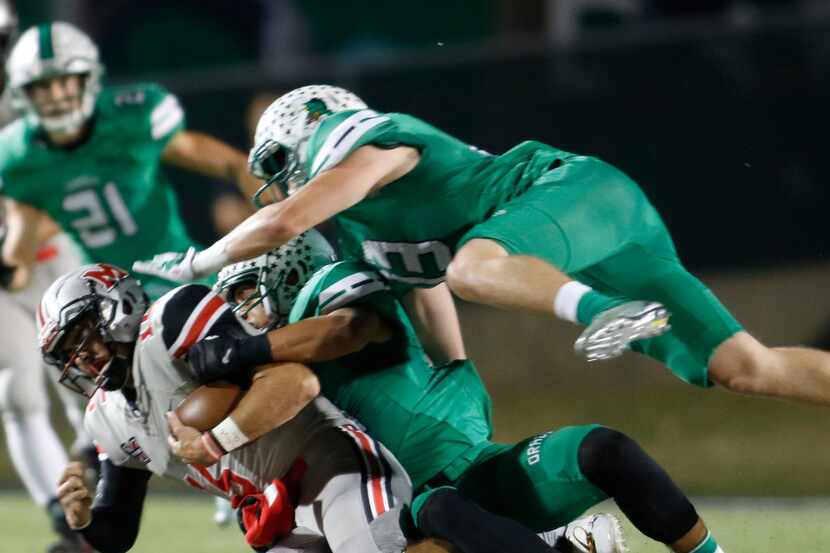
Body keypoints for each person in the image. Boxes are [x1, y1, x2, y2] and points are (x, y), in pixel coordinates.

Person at [136, 83, 830, 407]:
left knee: (476, 264)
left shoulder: (361, 143)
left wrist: (197, 260)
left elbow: (283, 222)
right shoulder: (365, 229)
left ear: (308, 132)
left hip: (576, 192)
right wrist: (457, 378)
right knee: (746, 367)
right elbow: (425, 288)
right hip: (586, 241)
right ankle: (602, 308)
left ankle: (599, 314)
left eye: (282, 166)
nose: (283, 185)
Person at [176, 231, 727, 553]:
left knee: (603, 450)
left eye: (247, 295)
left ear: (286, 270)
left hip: (475, 468)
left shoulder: (325, 301)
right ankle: (564, 543)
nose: (242, 318)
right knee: (440, 510)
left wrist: (249, 351)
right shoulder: (266, 375)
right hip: (396, 515)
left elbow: (348, 329)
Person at [40, 263, 414, 553]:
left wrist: (213, 445)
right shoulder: (104, 417)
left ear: (115, 305)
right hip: (276, 514)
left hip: (332, 468)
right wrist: (85, 518)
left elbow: (294, 384)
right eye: (66, 354)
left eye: (80, 335)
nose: (79, 357)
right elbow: (117, 530)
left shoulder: (171, 321)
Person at [0, 21, 262, 301]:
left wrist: (275, 220)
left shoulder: (130, 119)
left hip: (181, 276)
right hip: (109, 297)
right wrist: (8, 269)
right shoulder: (18, 157)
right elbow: (20, 252)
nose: (56, 96)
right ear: (23, 93)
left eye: (64, 81)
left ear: (88, 79)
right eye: (41, 87)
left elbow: (232, 164)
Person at [0, 7, 99, 553]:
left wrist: (16, 239)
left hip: (52, 254)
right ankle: (67, 527)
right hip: (6, 271)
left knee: (86, 388)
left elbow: (56, 181)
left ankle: (98, 495)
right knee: (17, 396)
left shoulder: (31, 98)